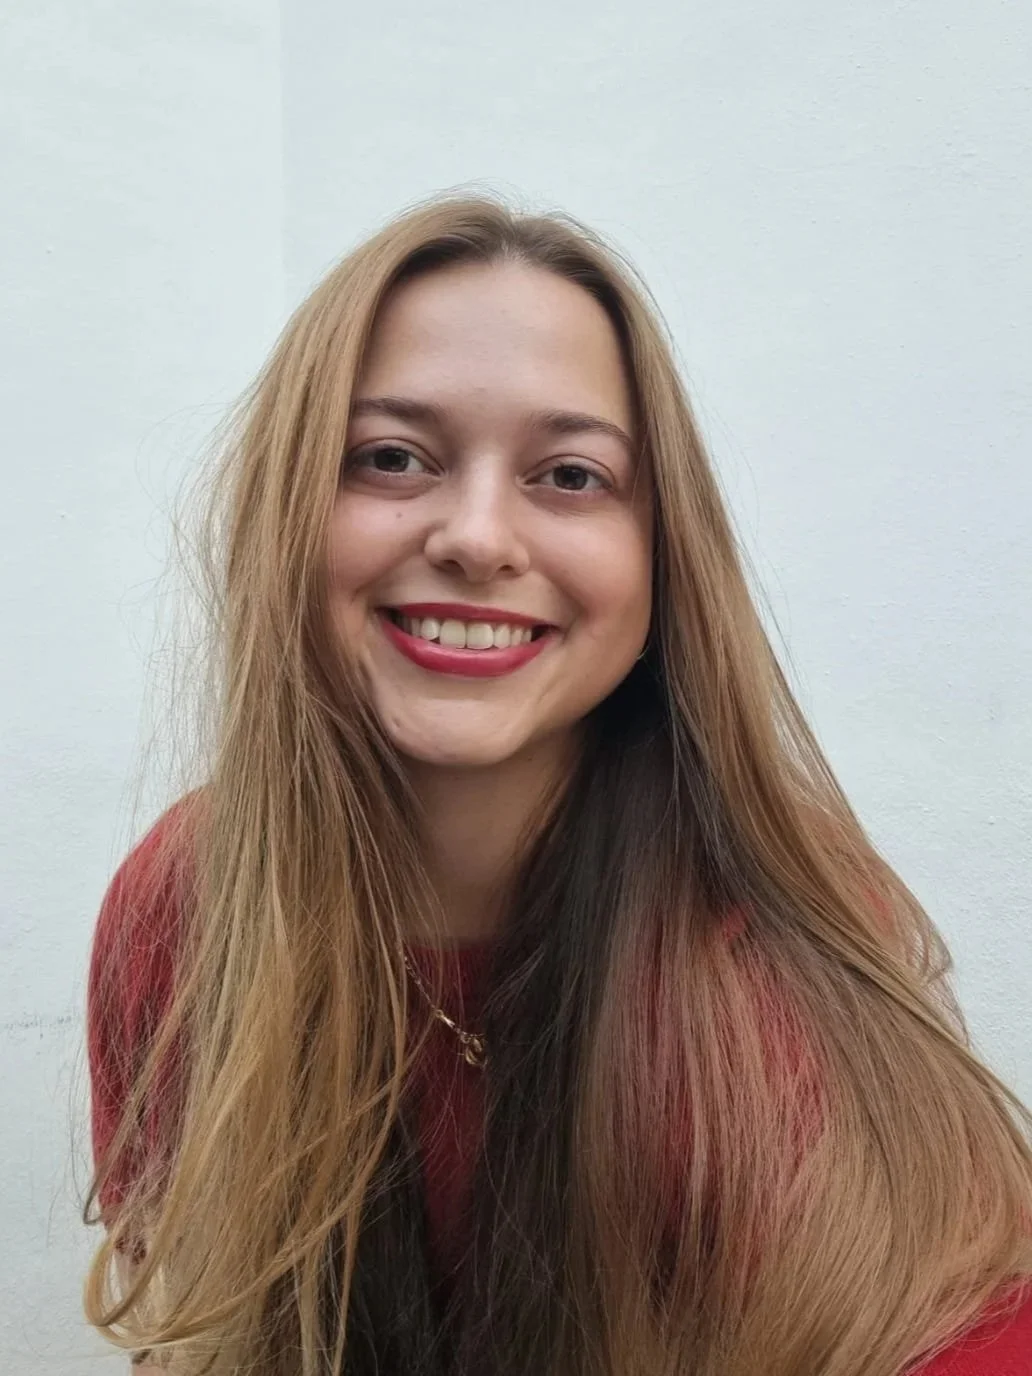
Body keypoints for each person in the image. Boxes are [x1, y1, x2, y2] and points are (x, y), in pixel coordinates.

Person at [83, 193, 1032, 1375]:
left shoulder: (778, 941)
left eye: (571, 474)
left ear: (662, 554)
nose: (478, 536)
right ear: (285, 509)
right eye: (390, 456)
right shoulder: (180, 906)